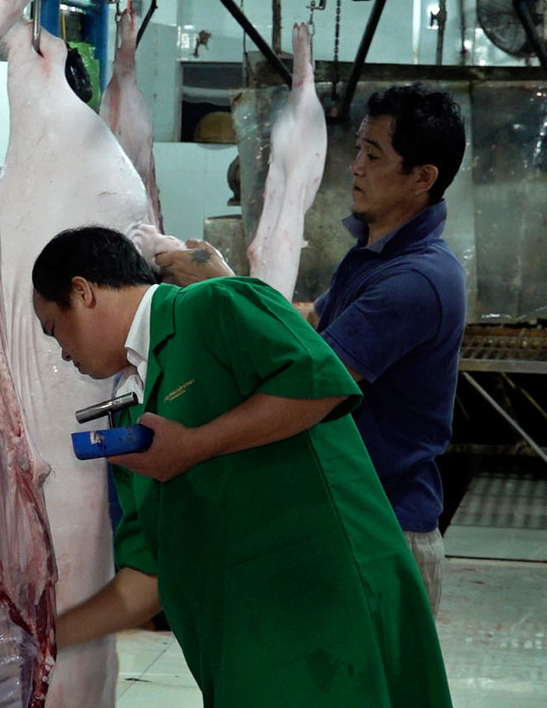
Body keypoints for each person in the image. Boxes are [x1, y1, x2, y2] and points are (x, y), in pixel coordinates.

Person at [34, 225, 451, 706]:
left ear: (82, 291)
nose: (63, 353)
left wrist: (194, 445)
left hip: (326, 611)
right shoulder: (133, 416)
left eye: (54, 329)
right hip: (247, 637)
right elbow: (147, 581)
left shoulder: (215, 305)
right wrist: (49, 633)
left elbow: (322, 383)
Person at [156, 84, 467, 615]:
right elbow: (307, 323)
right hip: (345, 516)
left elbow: (308, 387)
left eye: (373, 155)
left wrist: (192, 445)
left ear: (423, 178)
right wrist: (227, 280)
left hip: (382, 528)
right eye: (358, 150)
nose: (355, 167)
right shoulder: (373, 256)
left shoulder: (415, 280)